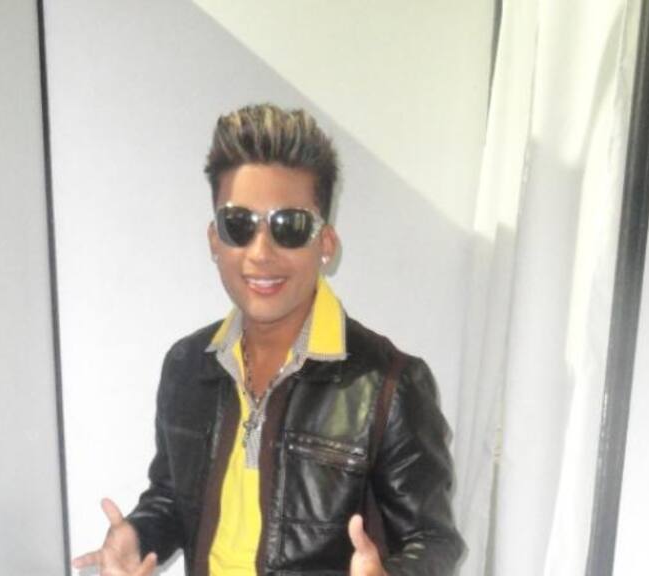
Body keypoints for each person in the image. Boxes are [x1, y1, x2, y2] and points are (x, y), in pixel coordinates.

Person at [72, 104, 464, 576]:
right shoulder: (187, 365)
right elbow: (173, 497)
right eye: (238, 224)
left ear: (325, 244)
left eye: (289, 226)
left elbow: (434, 541)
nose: (260, 253)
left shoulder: (389, 384)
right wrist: (138, 535)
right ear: (214, 240)